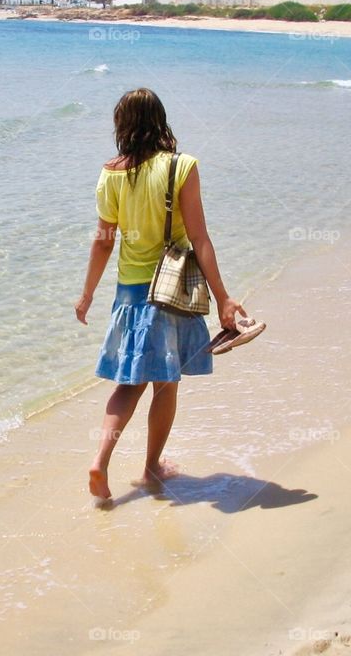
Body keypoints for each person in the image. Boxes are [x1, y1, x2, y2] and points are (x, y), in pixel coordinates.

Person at [75, 87, 247, 503]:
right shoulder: (182, 167)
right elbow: (200, 238)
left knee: (128, 382)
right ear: (161, 120)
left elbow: (103, 241)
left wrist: (87, 295)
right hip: (173, 291)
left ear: (122, 126)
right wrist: (224, 298)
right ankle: (152, 468)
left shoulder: (110, 173)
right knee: (165, 385)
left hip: (131, 292)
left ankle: (101, 459)